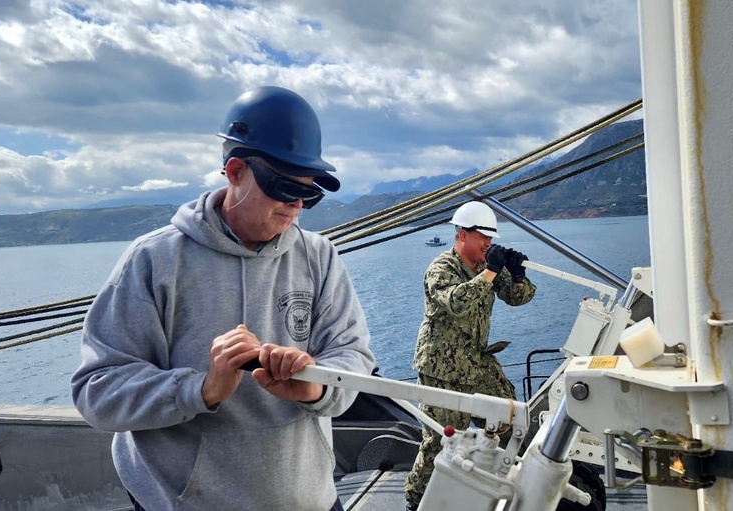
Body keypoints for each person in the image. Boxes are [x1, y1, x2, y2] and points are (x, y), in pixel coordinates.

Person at [71, 86, 375, 511]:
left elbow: (353, 358)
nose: (295, 207)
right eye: (282, 188)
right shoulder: (154, 260)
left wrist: (312, 383)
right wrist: (201, 389)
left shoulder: (320, 257)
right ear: (235, 172)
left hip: (308, 500)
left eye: (308, 193)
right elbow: (97, 391)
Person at [403, 201, 537, 510]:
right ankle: (416, 501)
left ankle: (508, 484)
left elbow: (518, 298)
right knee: (441, 440)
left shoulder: (485, 266)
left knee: (511, 419)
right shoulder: (441, 268)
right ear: (463, 235)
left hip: (477, 363)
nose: (488, 243)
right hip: (442, 369)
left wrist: (517, 274)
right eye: (482, 237)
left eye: (491, 238)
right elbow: (457, 303)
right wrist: (491, 270)